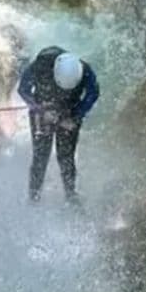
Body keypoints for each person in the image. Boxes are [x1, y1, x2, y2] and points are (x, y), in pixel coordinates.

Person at [17, 46, 99, 203]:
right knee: (41, 156)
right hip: (43, 108)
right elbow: (23, 90)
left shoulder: (84, 70)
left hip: (70, 110)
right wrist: (41, 111)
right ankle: (33, 198)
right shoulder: (40, 65)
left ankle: (70, 195)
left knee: (66, 156)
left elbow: (93, 93)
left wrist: (75, 116)